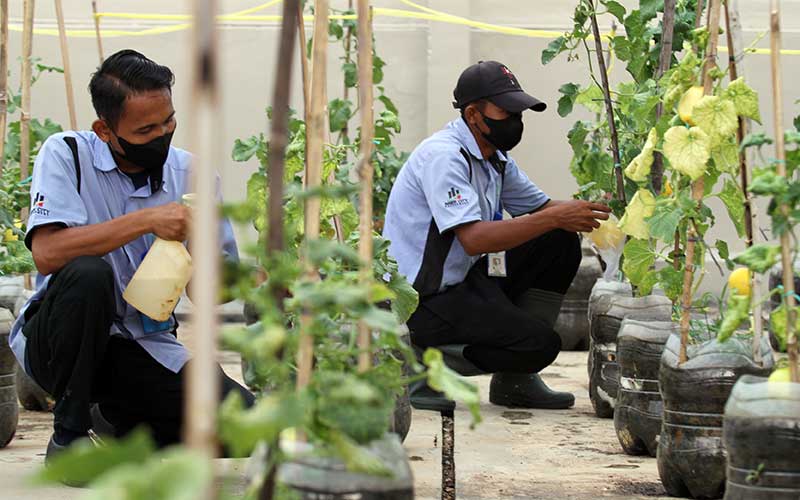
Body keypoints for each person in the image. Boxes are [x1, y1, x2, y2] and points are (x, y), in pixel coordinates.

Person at [7, 49, 254, 461]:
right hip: (60, 344)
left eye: (169, 121)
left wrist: (254, 280)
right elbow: (47, 253)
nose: (162, 135)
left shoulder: (191, 174)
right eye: (145, 131)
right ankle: (69, 436)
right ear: (104, 130)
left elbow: (204, 291)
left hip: (145, 344)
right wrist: (147, 221)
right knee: (88, 273)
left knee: (243, 426)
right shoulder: (68, 154)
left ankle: (116, 422)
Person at [383, 60, 610, 410]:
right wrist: (555, 217)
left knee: (559, 240)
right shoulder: (444, 157)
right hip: (423, 300)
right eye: (507, 111)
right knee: (540, 345)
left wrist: (593, 209)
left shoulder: (494, 157)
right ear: (473, 114)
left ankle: (515, 382)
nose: (517, 121)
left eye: (520, 112)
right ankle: (416, 365)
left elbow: (542, 209)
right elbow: (474, 239)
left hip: (463, 281)